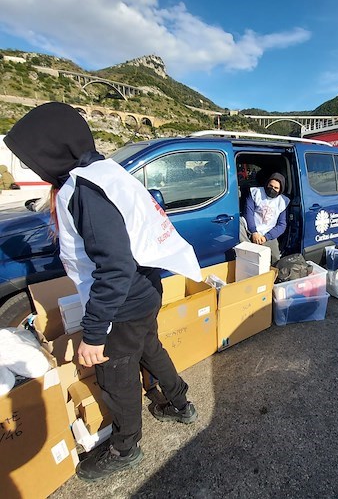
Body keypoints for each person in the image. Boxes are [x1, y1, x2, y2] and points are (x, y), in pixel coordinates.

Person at [4, 102, 202, 482]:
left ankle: (125, 448)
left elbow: (114, 266)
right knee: (149, 348)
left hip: (123, 301)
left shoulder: (85, 190)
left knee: (117, 375)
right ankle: (180, 403)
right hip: (144, 289)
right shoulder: (106, 172)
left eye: (33, 156)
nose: (32, 167)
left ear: (52, 148)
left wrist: (94, 335)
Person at [240, 172, 289, 264]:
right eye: (270, 186)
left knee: (275, 260)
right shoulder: (255, 193)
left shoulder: (282, 201)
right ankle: (250, 250)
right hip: (251, 230)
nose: (272, 189)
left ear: (280, 190)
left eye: (276, 188)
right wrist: (254, 232)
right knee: (238, 223)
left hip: (267, 234)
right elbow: (248, 213)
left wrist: (266, 237)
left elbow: (282, 225)